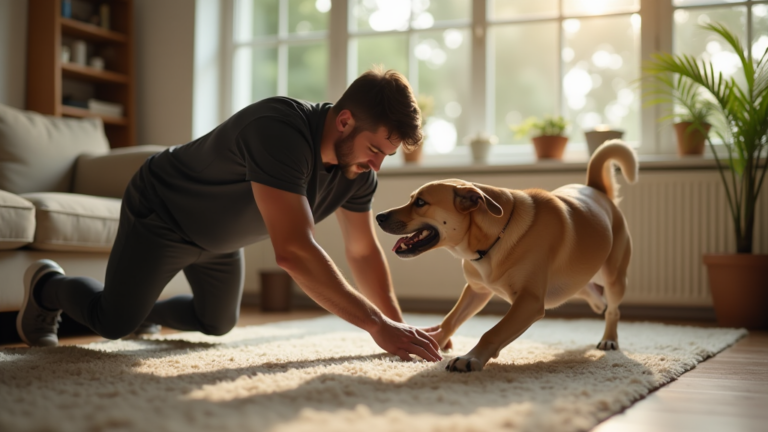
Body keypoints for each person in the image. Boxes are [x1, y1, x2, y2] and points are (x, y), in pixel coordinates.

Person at [16, 67, 442, 363]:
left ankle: (145, 307)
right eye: (375, 149)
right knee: (111, 322)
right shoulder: (280, 130)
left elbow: (363, 252)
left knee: (217, 323)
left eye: (386, 156)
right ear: (345, 120)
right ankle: (47, 287)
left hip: (222, 241)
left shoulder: (357, 172)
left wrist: (397, 329)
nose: (377, 166)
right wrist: (375, 325)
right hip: (164, 215)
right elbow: (293, 250)